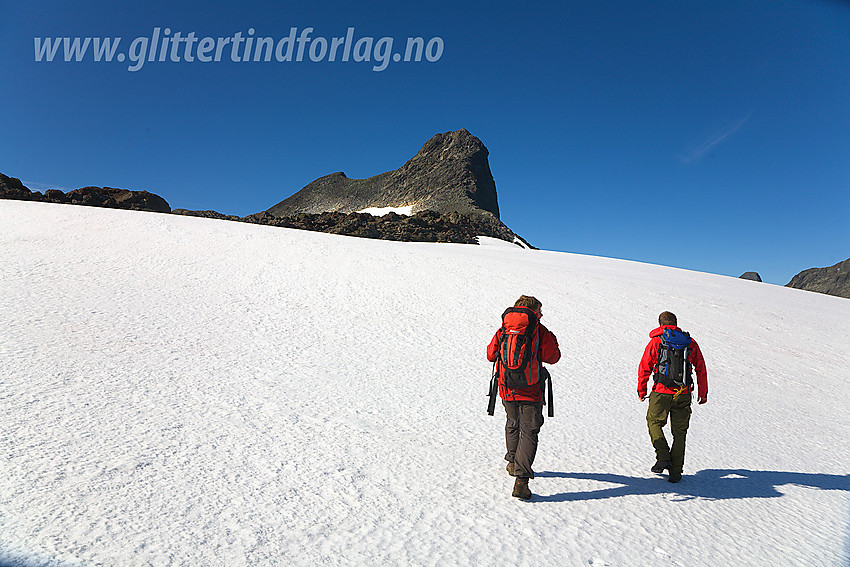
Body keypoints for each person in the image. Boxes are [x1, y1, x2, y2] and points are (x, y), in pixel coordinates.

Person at [487, 295, 561, 500]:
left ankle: (512, 462)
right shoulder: (540, 331)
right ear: (532, 312)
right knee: (529, 431)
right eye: (540, 311)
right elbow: (553, 357)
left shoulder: (503, 329)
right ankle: (521, 481)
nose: (542, 314)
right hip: (530, 390)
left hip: (506, 386)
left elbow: (490, 355)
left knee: (512, 422)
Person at [638, 311, 708, 483]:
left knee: (654, 422)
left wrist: (641, 390)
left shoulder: (656, 341)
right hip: (683, 393)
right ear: (676, 323)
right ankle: (675, 474)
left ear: (660, 324)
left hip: (661, 392)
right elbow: (700, 368)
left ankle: (662, 455)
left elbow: (645, 366)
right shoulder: (689, 343)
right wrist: (703, 392)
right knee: (680, 433)